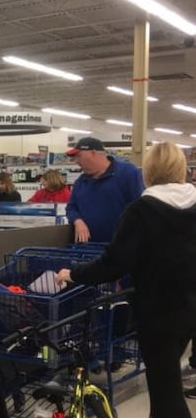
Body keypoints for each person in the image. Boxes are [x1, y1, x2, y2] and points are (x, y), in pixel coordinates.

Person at [56, 142, 196, 418]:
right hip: (190, 308)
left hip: (158, 312)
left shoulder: (141, 211)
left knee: (165, 389)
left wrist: (72, 274)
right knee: (167, 384)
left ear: (149, 171)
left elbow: (113, 264)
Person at [65, 137, 144, 243]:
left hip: (122, 247)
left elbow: (140, 206)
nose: (76, 161)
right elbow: (71, 207)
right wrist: (77, 221)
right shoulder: (81, 182)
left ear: (93, 153)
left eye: (79, 156)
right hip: (89, 249)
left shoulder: (128, 173)